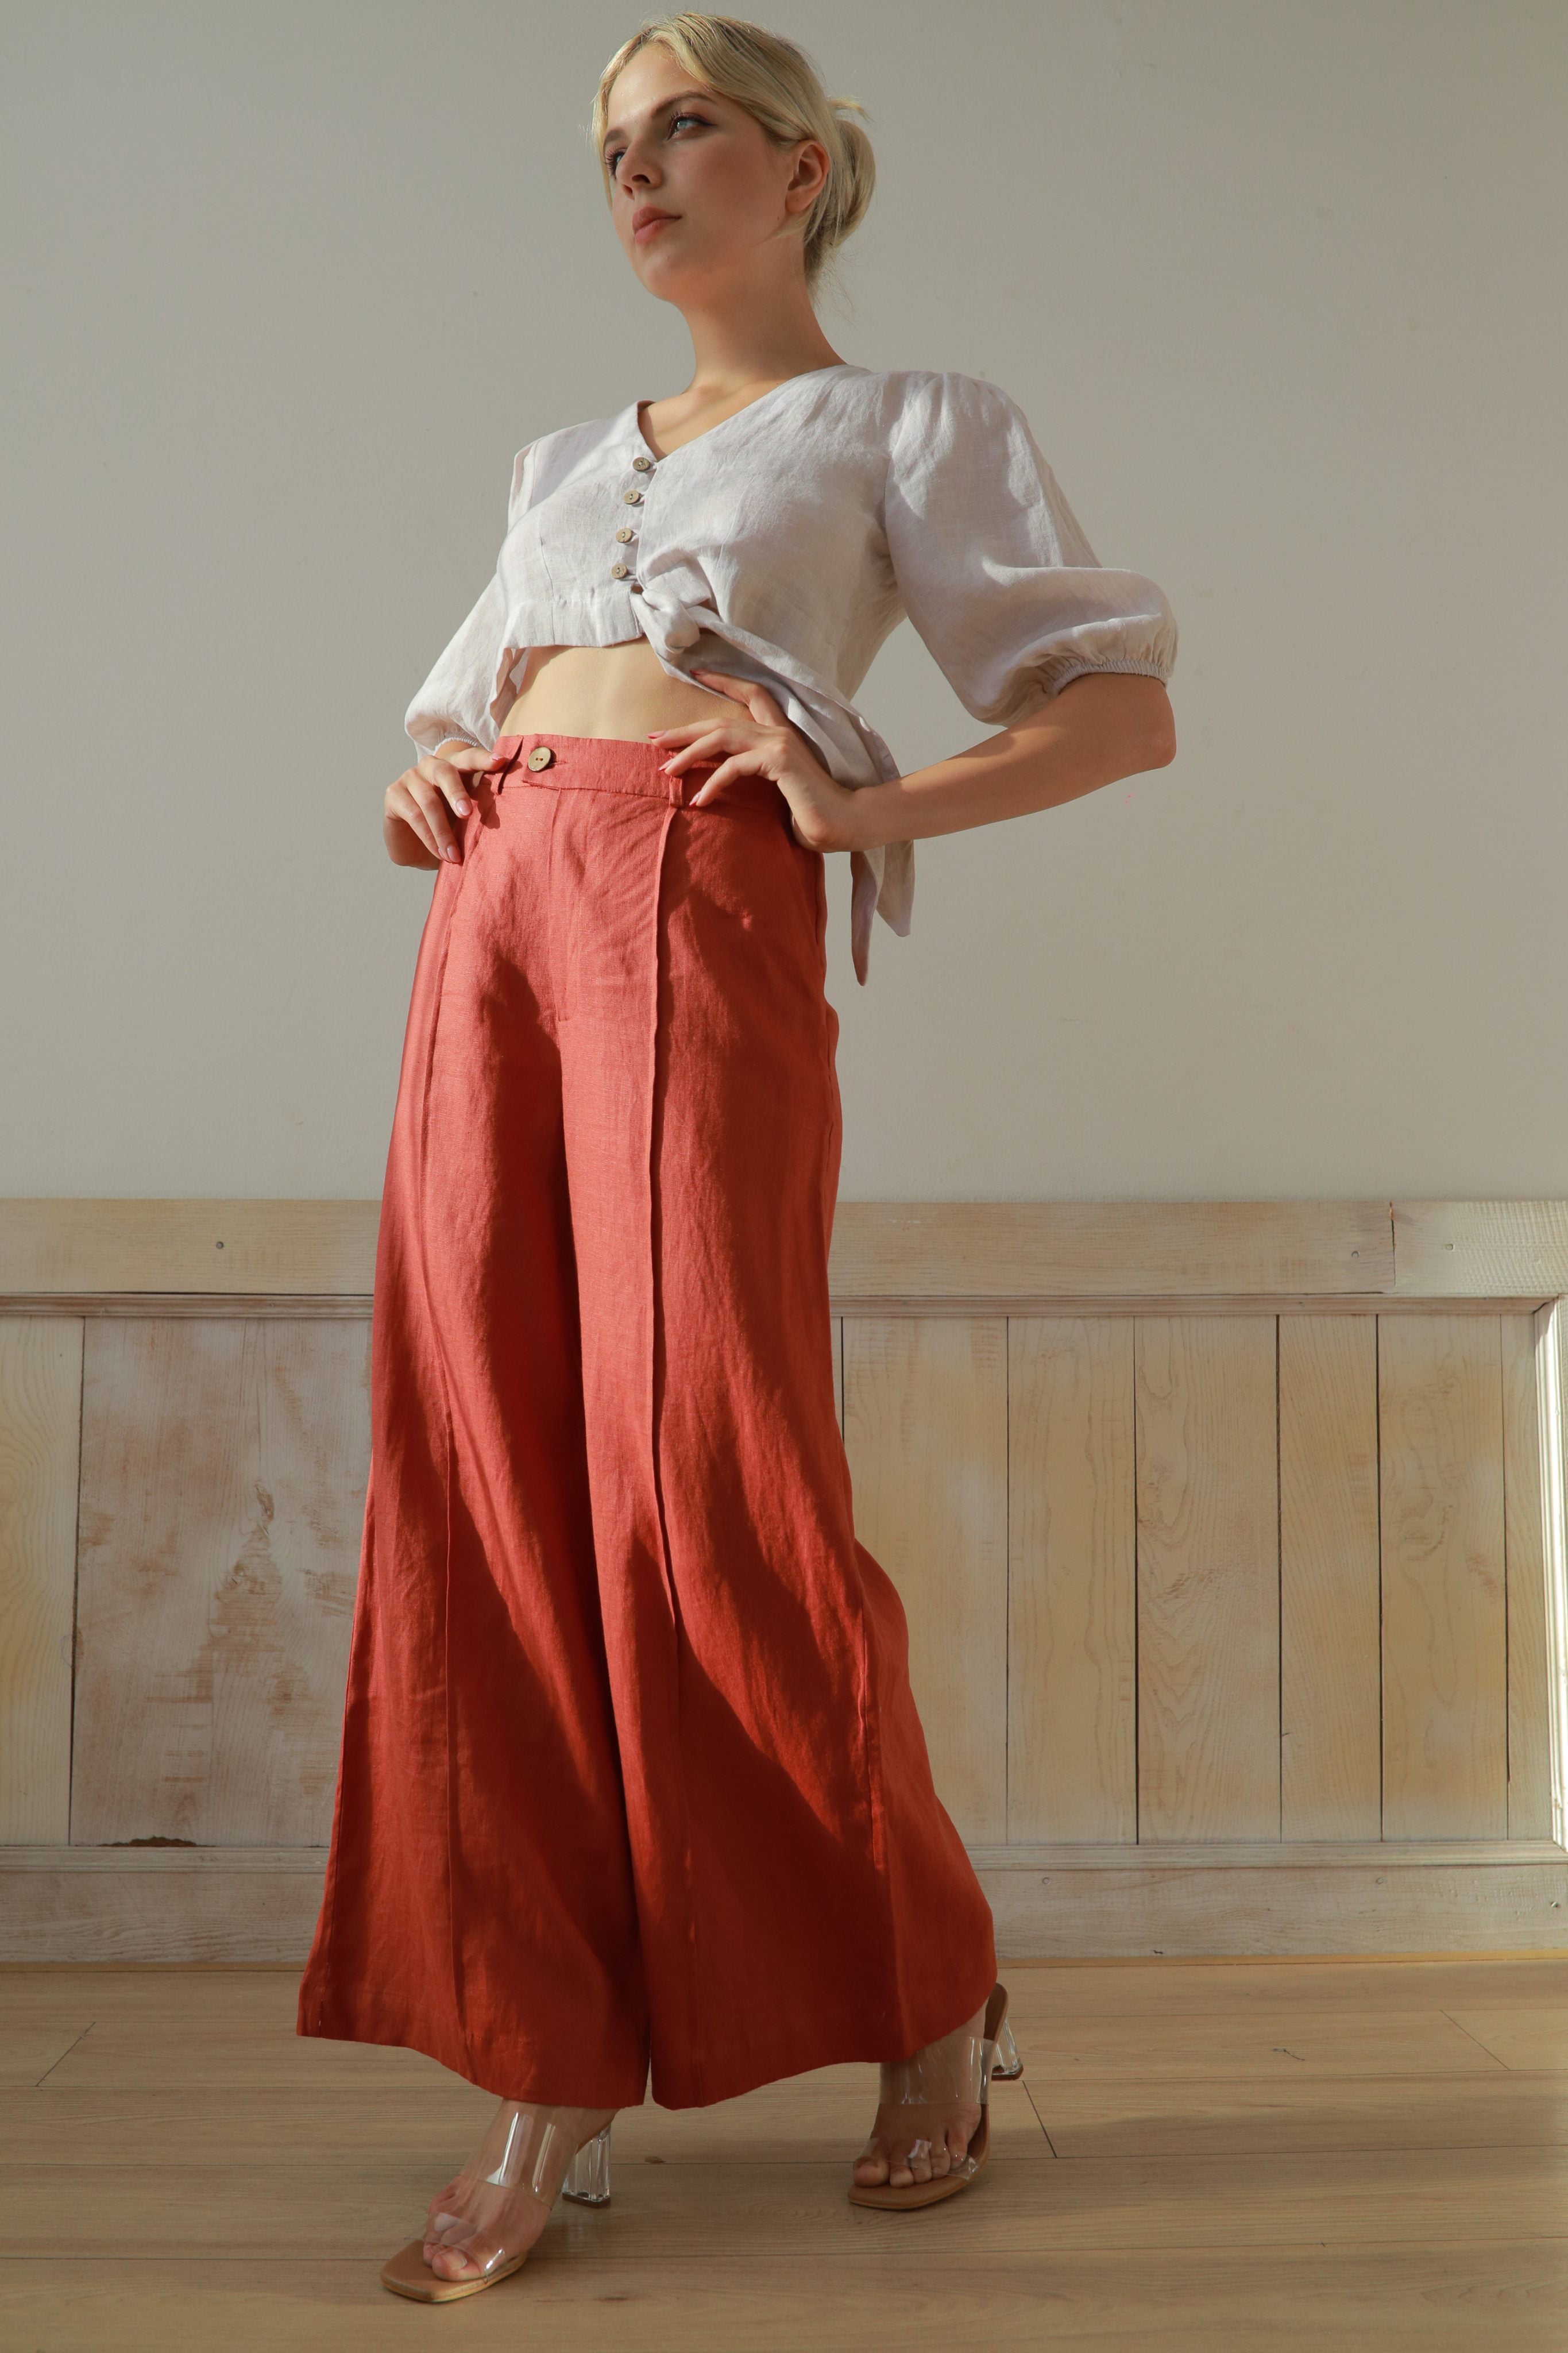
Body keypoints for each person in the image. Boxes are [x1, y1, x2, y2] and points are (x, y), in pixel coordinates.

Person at [294, 10, 1177, 2304]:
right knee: (483, 1465)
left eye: (682, 123)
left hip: (698, 894)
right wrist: (427, 784)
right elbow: (467, 706)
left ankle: (913, 1981)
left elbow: (1112, 704)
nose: (637, 169)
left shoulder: (909, 421)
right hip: (498, 909)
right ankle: (541, 2054)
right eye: (610, 140)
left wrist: (854, 806)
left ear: (798, 168)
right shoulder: (556, 459)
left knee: (708, 1472)